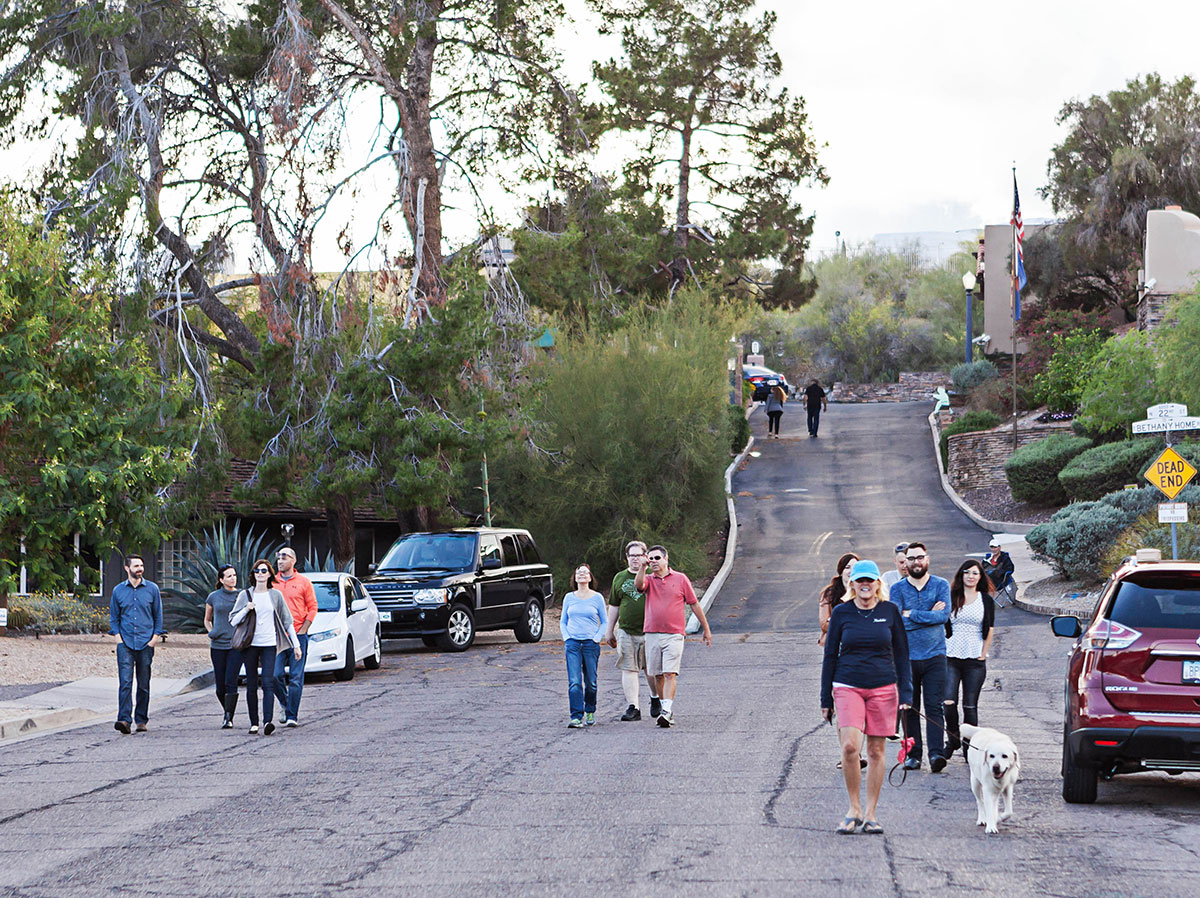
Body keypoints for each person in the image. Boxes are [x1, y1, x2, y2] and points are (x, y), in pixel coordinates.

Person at [820, 559, 912, 835]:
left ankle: (870, 813)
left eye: (869, 580)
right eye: (860, 581)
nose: (864, 585)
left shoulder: (890, 611)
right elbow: (830, 655)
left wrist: (905, 692)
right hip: (847, 685)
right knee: (850, 747)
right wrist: (826, 698)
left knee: (875, 751)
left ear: (877, 584)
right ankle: (853, 809)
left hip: (883, 687)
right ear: (852, 584)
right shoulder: (841, 613)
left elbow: (902, 654)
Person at [634, 545, 713, 728]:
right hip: (652, 633)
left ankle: (667, 710)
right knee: (658, 675)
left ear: (666, 559)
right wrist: (642, 567)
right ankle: (665, 708)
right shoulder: (648, 579)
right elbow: (638, 586)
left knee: (670, 672)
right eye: (650, 559)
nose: (653, 562)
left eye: (656, 558)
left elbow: (694, 604)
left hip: (674, 634)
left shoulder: (680, 579)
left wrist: (706, 629)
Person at [889, 541, 951, 772]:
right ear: (905, 563)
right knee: (909, 708)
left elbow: (943, 617)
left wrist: (912, 614)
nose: (916, 562)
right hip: (906, 658)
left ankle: (936, 755)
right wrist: (926, 616)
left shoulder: (940, 585)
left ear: (927, 558)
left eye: (919, 557)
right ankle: (913, 755)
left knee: (934, 706)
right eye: (911, 558)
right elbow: (897, 623)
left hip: (935, 656)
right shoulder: (897, 589)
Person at [230, 560, 302, 735]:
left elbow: (287, 621)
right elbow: (233, 621)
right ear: (253, 574)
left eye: (264, 571)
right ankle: (254, 723)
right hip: (250, 645)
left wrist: (296, 645)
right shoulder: (245, 595)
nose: (260, 574)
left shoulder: (275, 595)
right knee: (252, 683)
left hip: (269, 643)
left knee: (268, 682)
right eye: (257, 571)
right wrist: (246, 609)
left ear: (270, 574)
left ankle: (267, 721)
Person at [943, 559, 996, 759]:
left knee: (969, 706)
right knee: (948, 702)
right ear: (961, 575)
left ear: (980, 577)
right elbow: (943, 622)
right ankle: (954, 738)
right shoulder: (952, 597)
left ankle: (969, 748)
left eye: (975, 573)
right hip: (951, 655)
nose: (971, 576)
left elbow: (990, 629)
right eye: (967, 572)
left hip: (975, 657)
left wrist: (983, 653)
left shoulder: (986, 600)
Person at [108, 554, 165, 734]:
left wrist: (154, 639)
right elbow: (114, 617)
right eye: (136, 566)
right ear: (127, 568)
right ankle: (124, 720)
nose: (140, 568)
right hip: (125, 643)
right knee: (125, 682)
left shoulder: (152, 589)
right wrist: (118, 638)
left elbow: (158, 615)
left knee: (143, 683)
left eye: (141, 565)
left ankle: (141, 720)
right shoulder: (118, 591)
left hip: (145, 642)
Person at [605, 540, 660, 721]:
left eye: (638, 555)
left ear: (645, 556)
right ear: (626, 558)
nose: (635, 559)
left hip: (650, 631)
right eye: (632, 555)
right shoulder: (619, 578)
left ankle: (655, 698)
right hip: (627, 631)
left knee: (650, 670)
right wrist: (610, 630)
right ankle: (633, 706)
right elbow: (614, 605)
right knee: (629, 668)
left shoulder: (654, 576)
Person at [272, 547, 317, 727]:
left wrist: (303, 630)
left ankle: (292, 715)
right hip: (277, 636)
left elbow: (313, 607)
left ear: (293, 560)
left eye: (284, 557)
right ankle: (285, 702)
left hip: (298, 634)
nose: (280, 561)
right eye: (278, 558)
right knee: (275, 675)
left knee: (296, 677)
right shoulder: (271, 582)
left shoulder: (304, 582)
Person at [560, 563, 607, 728]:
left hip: (590, 644)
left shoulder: (597, 598)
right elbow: (563, 621)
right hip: (572, 643)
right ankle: (576, 716)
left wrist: (596, 638)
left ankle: (590, 709)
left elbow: (605, 622)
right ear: (574, 577)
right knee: (574, 681)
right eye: (579, 572)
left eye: (585, 572)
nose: (582, 574)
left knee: (591, 682)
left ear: (590, 577)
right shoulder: (569, 597)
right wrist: (566, 637)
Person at [205, 564, 244, 729]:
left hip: (235, 644)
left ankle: (229, 716)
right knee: (220, 685)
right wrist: (211, 631)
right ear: (221, 579)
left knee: (231, 680)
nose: (232, 578)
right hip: (217, 644)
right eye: (228, 576)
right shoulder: (213, 596)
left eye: (234, 575)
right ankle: (227, 710)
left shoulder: (242, 595)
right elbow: (207, 618)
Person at [817, 552, 858, 646]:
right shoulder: (829, 593)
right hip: (834, 642)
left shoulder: (864, 591)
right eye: (847, 567)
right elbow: (824, 625)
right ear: (841, 571)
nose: (851, 571)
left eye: (854, 568)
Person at [984, 538, 1016, 606]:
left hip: (1000, 581)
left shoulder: (1004, 558)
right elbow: (981, 568)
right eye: (992, 547)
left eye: (995, 547)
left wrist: (998, 572)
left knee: (991, 573)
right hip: (987, 580)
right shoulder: (987, 558)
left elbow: (1010, 568)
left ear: (999, 547)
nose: (994, 549)